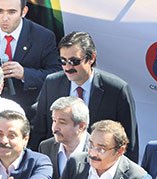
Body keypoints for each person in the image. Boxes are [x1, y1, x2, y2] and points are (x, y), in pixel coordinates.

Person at [30, 31, 138, 162]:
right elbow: (40, 130)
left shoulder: (116, 90)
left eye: (74, 61)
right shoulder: (52, 83)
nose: (67, 67)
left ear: (91, 58)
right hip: (59, 164)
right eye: (63, 61)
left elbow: (128, 143)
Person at [0, 0, 61, 120]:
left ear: (23, 12)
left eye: (11, 12)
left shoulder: (43, 36)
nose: (4, 18)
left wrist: (25, 74)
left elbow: (56, 74)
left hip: (28, 111)